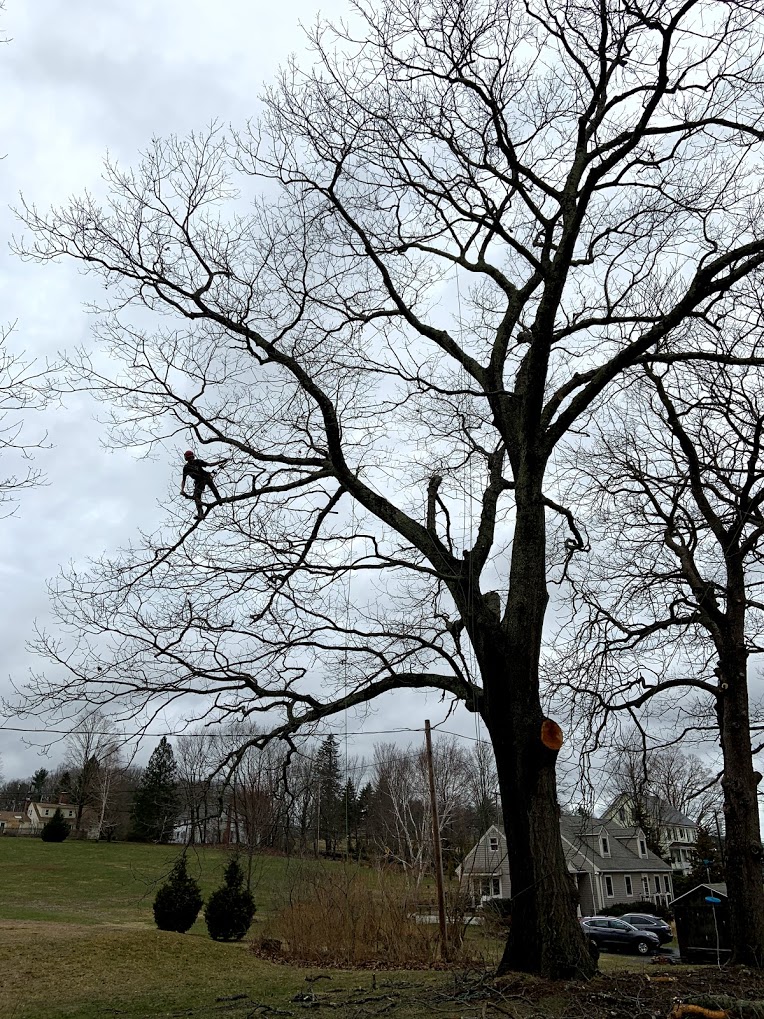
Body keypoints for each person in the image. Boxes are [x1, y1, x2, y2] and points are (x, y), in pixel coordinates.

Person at [181, 450, 227, 520]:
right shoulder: (186, 468)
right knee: (196, 496)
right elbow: (184, 480)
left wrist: (220, 462)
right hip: (198, 481)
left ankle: (218, 499)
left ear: (193, 457)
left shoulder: (198, 462)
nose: (191, 460)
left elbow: (209, 464)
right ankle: (200, 513)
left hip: (206, 477)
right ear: (186, 459)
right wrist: (182, 490)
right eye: (189, 458)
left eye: (191, 458)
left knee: (212, 487)